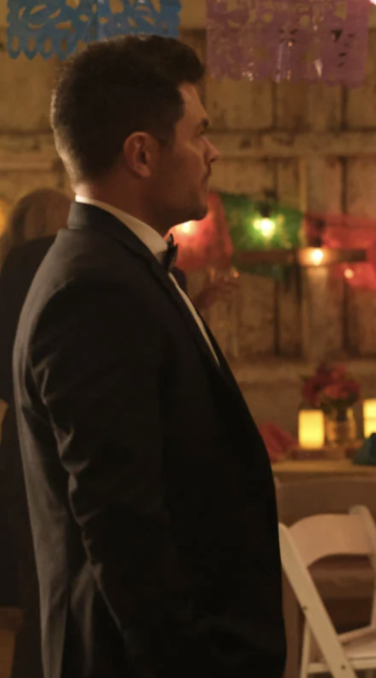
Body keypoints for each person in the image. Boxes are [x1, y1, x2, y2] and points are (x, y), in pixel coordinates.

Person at [13, 36, 285, 678]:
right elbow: (121, 523)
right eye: (200, 133)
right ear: (141, 153)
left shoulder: (125, 267)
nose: (212, 153)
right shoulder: (94, 289)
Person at [0, 188, 72, 678]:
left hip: (17, 441)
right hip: (54, 441)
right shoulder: (56, 268)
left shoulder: (8, 276)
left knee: (36, 595)